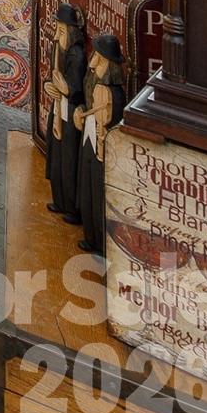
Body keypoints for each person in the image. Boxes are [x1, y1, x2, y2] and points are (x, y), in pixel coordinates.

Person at [76, 33, 125, 255]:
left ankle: (101, 242)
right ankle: (90, 235)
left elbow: (110, 118)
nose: (93, 59)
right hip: (89, 134)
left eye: (98, 55)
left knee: (98, 193)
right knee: (86, 186)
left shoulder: (114, 92)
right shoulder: (92, 80)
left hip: (103, 144)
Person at [45, 4, 86, 220]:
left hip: (69, 109)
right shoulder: (58, 48)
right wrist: (48, 86)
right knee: (57, 154)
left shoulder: (76, 54)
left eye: (61, 29)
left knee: (69, 158)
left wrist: (64, 88)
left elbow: (75, 87)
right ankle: (59, 199)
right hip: (58, 105)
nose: (58, 32)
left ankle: (71, 206)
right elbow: (52, 75)